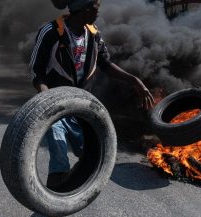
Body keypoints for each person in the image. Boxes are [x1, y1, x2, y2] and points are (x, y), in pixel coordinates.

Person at [29, 0, 154, 194]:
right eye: (96, 7)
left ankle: (67, 192)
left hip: (82, 104)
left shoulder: (93, 33)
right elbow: (37, 73)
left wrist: (134, 80)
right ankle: (50, 205)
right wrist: (48, 100)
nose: (99, 11)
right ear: (85, 9)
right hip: (56, 103)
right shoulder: (51, 32)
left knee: (90, 154)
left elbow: (105, 63)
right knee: (59, 150)